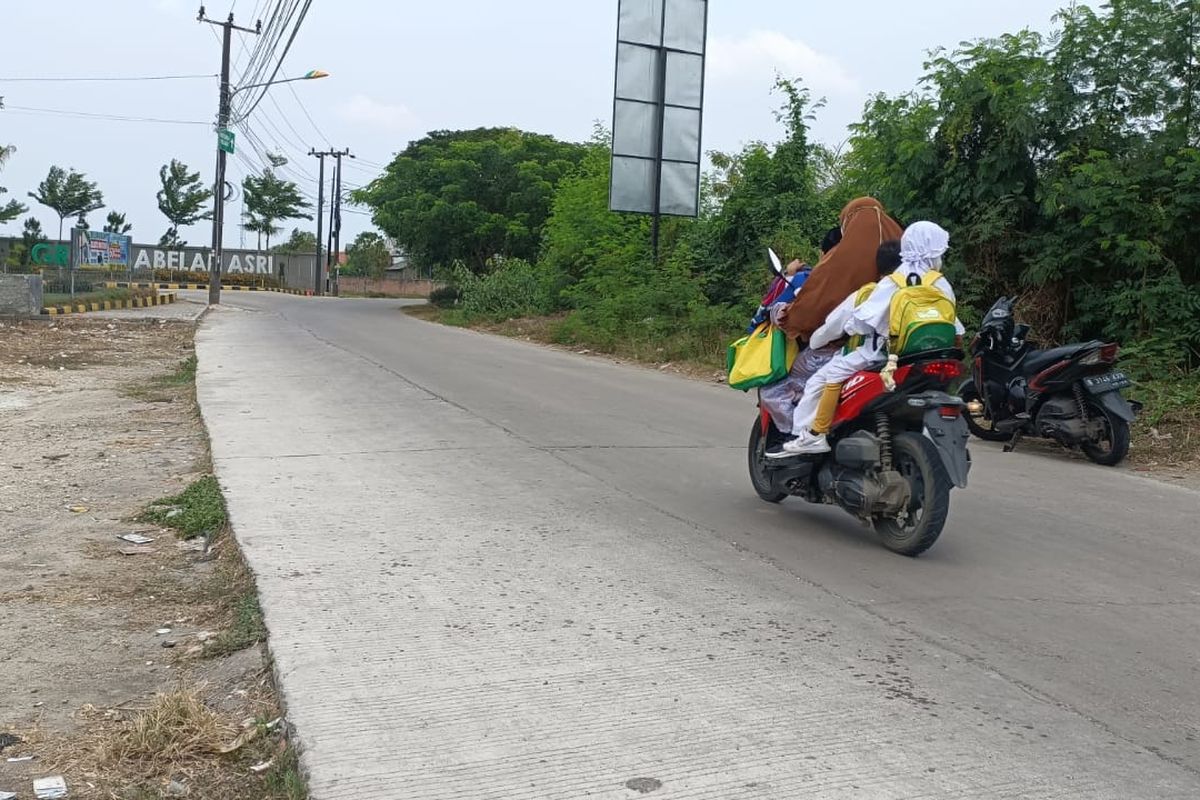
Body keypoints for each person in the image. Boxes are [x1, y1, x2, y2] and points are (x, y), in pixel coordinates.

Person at [772, 221, 963, 456]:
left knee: (829, 376)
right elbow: (955, 327)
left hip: (885, 355)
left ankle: (814, 435)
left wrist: (852, 328)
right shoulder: (940, 283)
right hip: (931, 356)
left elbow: (861, 322)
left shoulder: (892, 282)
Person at [776, 198, 904, 342]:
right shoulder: (903, 245)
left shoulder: (841, 256)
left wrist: (790, 317)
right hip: (906, 334)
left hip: (854, 342)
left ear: (849, 220)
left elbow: (816, 304)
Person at [757, 227, 844, 432]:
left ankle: (798, 435)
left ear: (824, 254)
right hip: (877, 352)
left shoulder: (812, 280)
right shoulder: (873, 275)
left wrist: (787, 277)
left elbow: (776, 312)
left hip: (826, 352)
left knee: (773, 392)